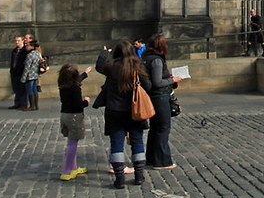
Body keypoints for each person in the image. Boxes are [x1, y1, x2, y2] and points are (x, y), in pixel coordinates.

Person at [96, 42, 150, 187]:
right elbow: (149, 86)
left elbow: (99, 66)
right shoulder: (138, 66)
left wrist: (104, 52)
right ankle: (139, 175)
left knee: (117, 144)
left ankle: (119, 179)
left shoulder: (111, 67)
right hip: (134, 110)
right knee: (137, 141)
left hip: (115, 111)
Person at [142, 34, 179, 171]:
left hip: (152, 96)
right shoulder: (157, 60)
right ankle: (162, 161)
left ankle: (151, 159)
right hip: (160, 96)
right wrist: (173, 80)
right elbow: (157, 82)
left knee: (155, 128)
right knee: (163, 128)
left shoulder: (146, 57)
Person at [57, 63, 92, 181]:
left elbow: (74, 81)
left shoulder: (62, 85)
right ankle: (67, 170)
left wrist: (85, 74)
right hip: (74, 116)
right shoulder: (75, 88)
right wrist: (86, 101)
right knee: (73, 144)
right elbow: (78, 105)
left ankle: (74, 167)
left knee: (72, 141)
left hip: (64, 115)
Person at [21, 39, 43, 110]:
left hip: (30, 75)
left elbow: (27, 68)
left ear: (31, 47)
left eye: (27, 46)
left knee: (30, 90)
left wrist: (23, 78)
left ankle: (32, 106)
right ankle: (36, 105)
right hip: (36, 75)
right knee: (34, 90)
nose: (26, 47)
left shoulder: (30, 55)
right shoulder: (37, 54)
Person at [9, 36, 27, 110]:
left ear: (23, 41)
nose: (17, 42)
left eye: (19, 41)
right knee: (16, 88)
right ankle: (17, 103)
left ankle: (23, 104)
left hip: (21, 72)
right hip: (14, 72)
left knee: (22, 89)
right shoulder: (15, 50)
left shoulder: (25, 50)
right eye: (16, 41)